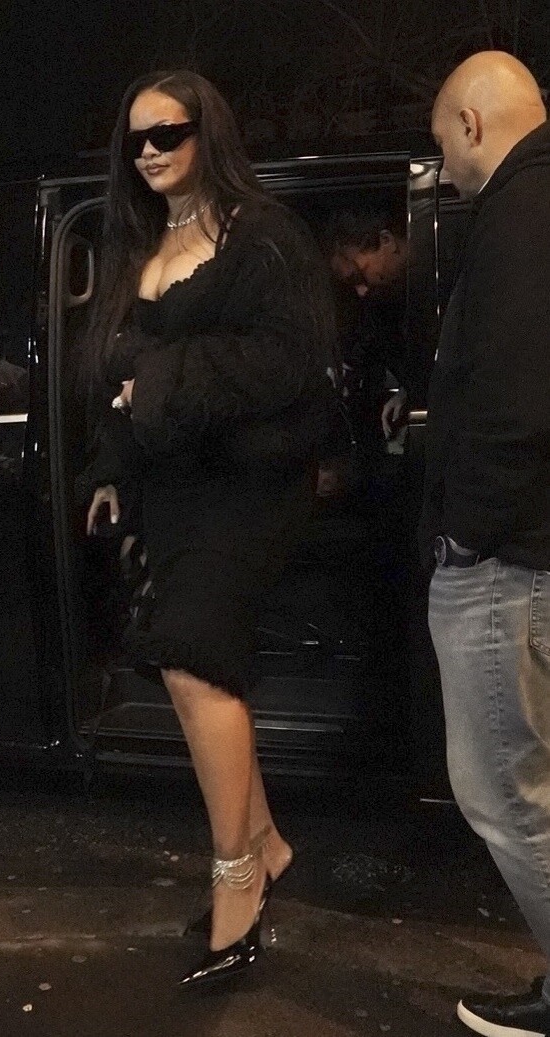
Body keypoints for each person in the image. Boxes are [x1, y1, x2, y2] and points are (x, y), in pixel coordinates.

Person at [77, 70, 342, 989]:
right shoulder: (142, 242)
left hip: (250, 485)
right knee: (188, 666)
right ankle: (264, 843)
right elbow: (120, 381)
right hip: (175, 491)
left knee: (195, 657)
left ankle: (237, 875)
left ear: (207, 133)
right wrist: (110, 469)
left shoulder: (259, 234)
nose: (149, 151)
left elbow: (285, 361)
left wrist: (159, 381)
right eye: (136, 140)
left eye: (169, 133)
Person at [420, 51, 550, 1037]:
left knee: (509, 793)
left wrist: (466, 533)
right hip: (526, 545)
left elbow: (515, 403)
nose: (443, 168)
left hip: (508, 559)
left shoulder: (518, 215)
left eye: (440, 146)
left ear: (470, 124)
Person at [328, 209, 410, 441]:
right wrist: (408, 392)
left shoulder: (435, 282)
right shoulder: (384, 307)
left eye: (361, 275)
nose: (362, 291)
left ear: (387, 241)